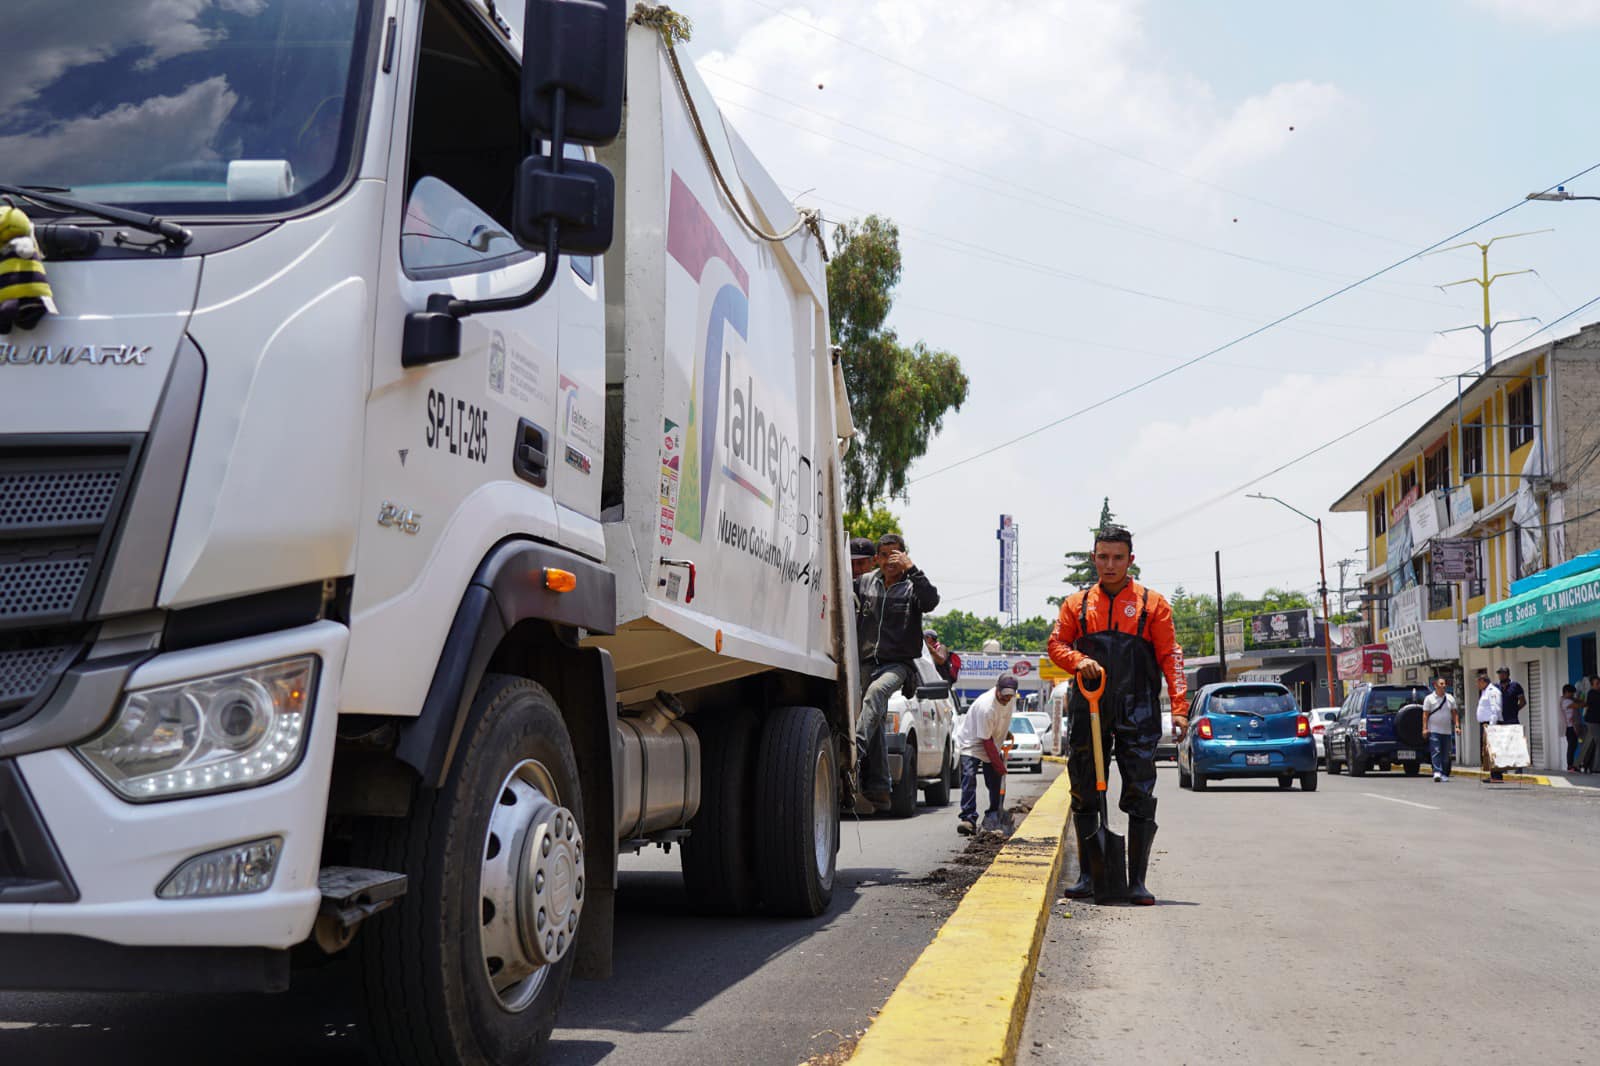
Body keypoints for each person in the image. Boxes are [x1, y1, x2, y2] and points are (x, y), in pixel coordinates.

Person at [1048, 525, 1187, 907]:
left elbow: (1170, 657)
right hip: (1088, 706)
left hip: (1138, 706)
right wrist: (1079, 660)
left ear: (1130, 560)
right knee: (1085, 787)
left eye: (1117, 558)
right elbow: (1056, 644)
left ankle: (1137, 880)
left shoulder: (1152, 604)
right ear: (1094, 558)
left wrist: (1179, 708)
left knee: (1140, 789)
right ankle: (1090, 874)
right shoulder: (1076, 605)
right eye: (1103, 557)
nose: (1109, 565)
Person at [853, 534, 940, 810]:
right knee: (874, 714)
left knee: (877, 692)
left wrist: (913, 569)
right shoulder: (866, 583)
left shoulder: (912, 587)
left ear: (903, 556)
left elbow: (931, 600)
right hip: (865, 661)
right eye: (885, 555)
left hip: (897, 664)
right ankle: (879, 787)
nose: (890, 560)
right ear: (876, 559)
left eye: (896, 555)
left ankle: (855, 749)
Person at [954, 674, 1018, 835]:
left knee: (995, 781)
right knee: (969, 777)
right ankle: (968, 818)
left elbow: (1001, 718)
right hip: (972, 744)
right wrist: (999, 765)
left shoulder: (1010, 699)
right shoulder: (986, 706)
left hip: (991, 741)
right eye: (1004, 695)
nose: (1006, 699)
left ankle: (994, 813)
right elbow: (986, 742)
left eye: (1010, 695)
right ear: (997, 689)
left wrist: (1004, 732)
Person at [1422, 676, 1459, 782]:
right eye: (1441, 684)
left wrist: (1457, 726)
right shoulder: (1429, 699)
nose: (1443, 686)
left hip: (1446, 731)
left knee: (1446, 754)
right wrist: (1424, 728)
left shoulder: (1450, 698)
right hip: (1434, 730)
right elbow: (1425, 715)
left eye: (1444, 684)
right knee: (1436, 751)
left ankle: (1444, 773)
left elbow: (1455, 714)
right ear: (1435, 685)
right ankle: (1437, 772)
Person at [1475, 672, 1503, 782]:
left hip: (1491, 725)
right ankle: (1493, 775)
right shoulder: (1485, 691)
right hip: (1486, 724)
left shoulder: (1492, 692)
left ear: (1483, 681)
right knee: (1488, 751)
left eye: (1478, 682)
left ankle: (1497, 776)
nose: (1477, 685)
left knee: (1493, 750)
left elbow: (1495, 709)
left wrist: (1491, 727)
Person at [1560, 683, 1582, 773]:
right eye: (1571, 693)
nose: (1572, 695)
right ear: (1566, 692)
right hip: (1570, 727)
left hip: (1571, 727)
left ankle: (1572, 765)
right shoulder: (1566, 701)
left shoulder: (1565, 700)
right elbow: (1580, 705)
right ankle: (1570, 766)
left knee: (1573, 746)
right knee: (1572, 746)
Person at [1581, 676, 1600, 773]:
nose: (1599, 685)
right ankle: (1596, 767)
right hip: (1592, 722)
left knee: (1590, 744)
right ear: (1592, 685)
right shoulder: (1592, 693)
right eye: (1597, 683)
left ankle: (1585, 764)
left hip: (1594, 722)